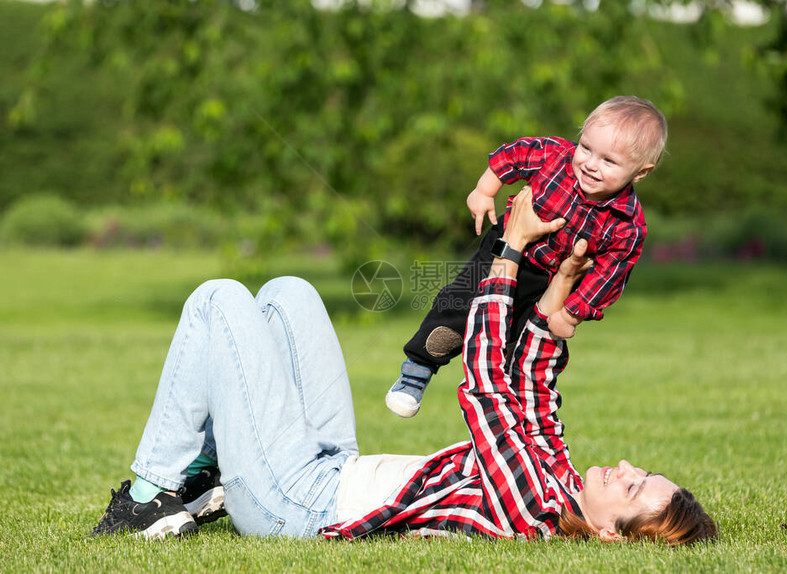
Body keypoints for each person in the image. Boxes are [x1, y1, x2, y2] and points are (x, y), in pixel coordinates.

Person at [92, 189, 715, 545]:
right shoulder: (556, 478)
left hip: (299, 504)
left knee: (218, 301)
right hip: (330, 464)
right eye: (643, 472)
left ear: (611, 534)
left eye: (632, 488)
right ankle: (207, 476)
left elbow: (492, 385)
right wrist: (556, 298)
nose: (627, 468)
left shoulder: (533, 508)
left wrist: (512, 249)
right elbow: (533, 388)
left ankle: (148, 496)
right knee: (288, 293)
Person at [387, 96, 664, 418]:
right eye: (586, 148)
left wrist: (573, 313)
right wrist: (484, 190)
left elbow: (611, 274)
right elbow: (514, 155)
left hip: (548, 282)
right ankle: (416, 371)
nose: (590, 163)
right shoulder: (555, 157)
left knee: (523, 341)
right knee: (458, 305)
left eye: (609, 161)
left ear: (641, 172)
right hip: (503, 248)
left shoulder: (627, 225)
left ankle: (505, 404)